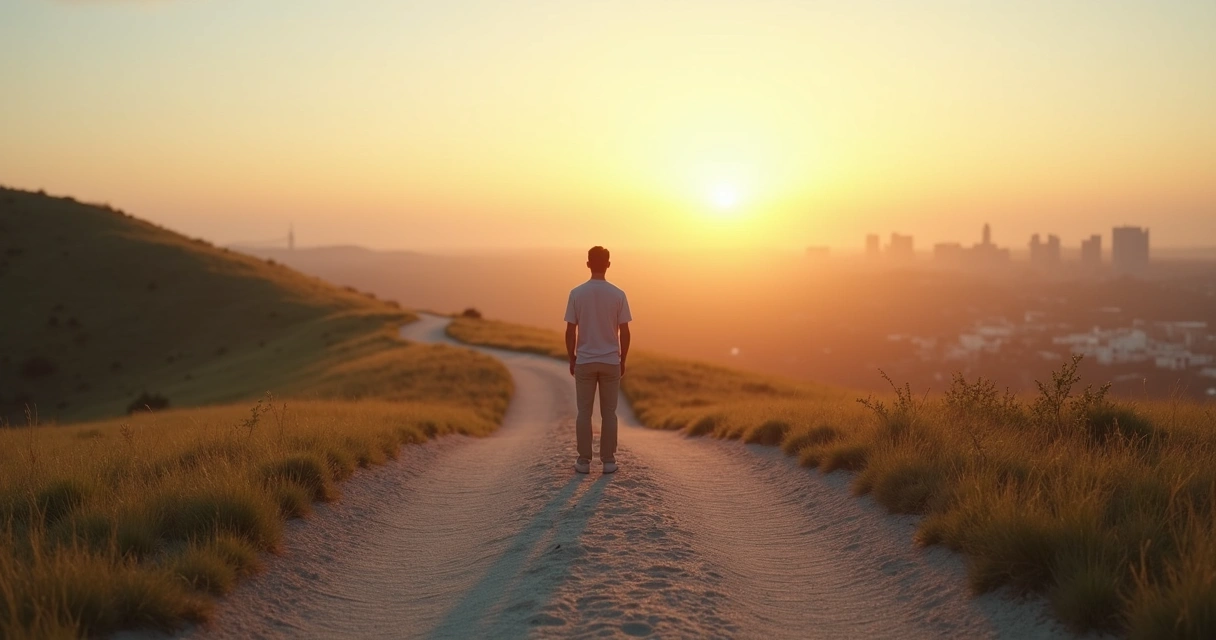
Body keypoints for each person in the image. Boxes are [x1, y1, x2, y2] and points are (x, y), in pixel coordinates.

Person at [564, 246, 632, 474]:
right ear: (608, 265)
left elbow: (570, 330)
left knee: (584, 412)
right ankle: (608, 460)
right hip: (611, 361)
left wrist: (572, 358)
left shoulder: (576, 293)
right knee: (609, 413)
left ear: (588, 264)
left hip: (584, 360)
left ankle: (583, 461)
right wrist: (622, 360)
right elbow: (626, 331)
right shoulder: (618, 294)